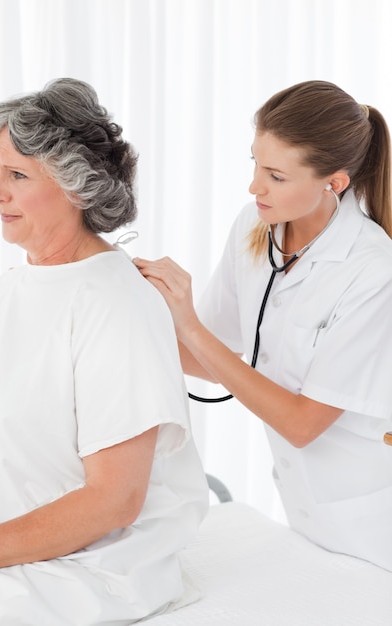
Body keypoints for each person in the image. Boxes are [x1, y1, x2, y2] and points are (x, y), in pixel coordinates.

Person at [0, 78, 209, 625]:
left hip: (86, 566)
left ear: (77, 187)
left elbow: (115, 500)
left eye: (17, 175)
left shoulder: (116, 302)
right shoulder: (8, 290)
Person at [134, 80, 392, 572]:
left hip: (374, 521)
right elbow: (213, 357)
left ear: (333, 183)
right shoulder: (253, 228)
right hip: (307, 516)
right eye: (254, 162)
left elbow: (301, 424)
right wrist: (131, 315)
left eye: (275, 175)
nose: (255, 186)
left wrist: (187, 324)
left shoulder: (374, 273)